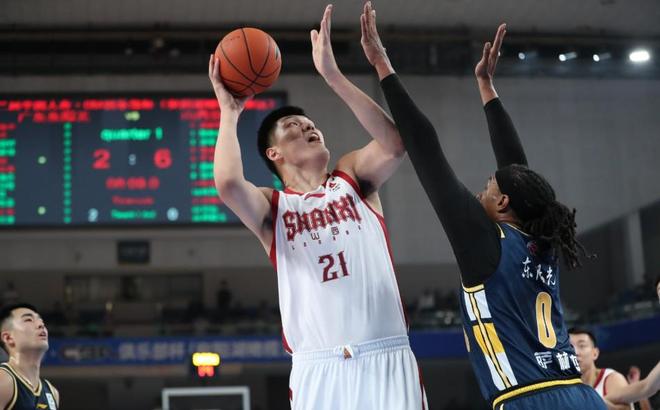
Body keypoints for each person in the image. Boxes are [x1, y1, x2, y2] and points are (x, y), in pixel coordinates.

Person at [370, 14, 605, 410]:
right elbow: (517, 169)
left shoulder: (485, 244)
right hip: (581, 395)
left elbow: (426, 151)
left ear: (503, 204)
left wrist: (382, 65)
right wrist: (486, 88)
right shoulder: (542, 241)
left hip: (528, 400)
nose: (479, 194)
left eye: (487, 188)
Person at [208, 4, 426, 409]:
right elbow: (227, 184)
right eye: (293, 127)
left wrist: (333, 76)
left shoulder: (351, 178)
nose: (307, 127)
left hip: (387, 354)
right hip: (319, 369)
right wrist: (228, 112)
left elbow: (395, 144)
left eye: (310, 124)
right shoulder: (273, 208)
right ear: (274, 153)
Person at [0, 303, 60, 409]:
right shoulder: (3, 379)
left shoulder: (52, 392)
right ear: (8, 338)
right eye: (29, 320)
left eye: (41, 321)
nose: (41, 325)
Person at [568, 328, 632, 410]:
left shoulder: (612, 379)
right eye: (570, 347)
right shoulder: (563, 388)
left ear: (595, 353)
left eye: (582, 346)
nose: (575, 352)